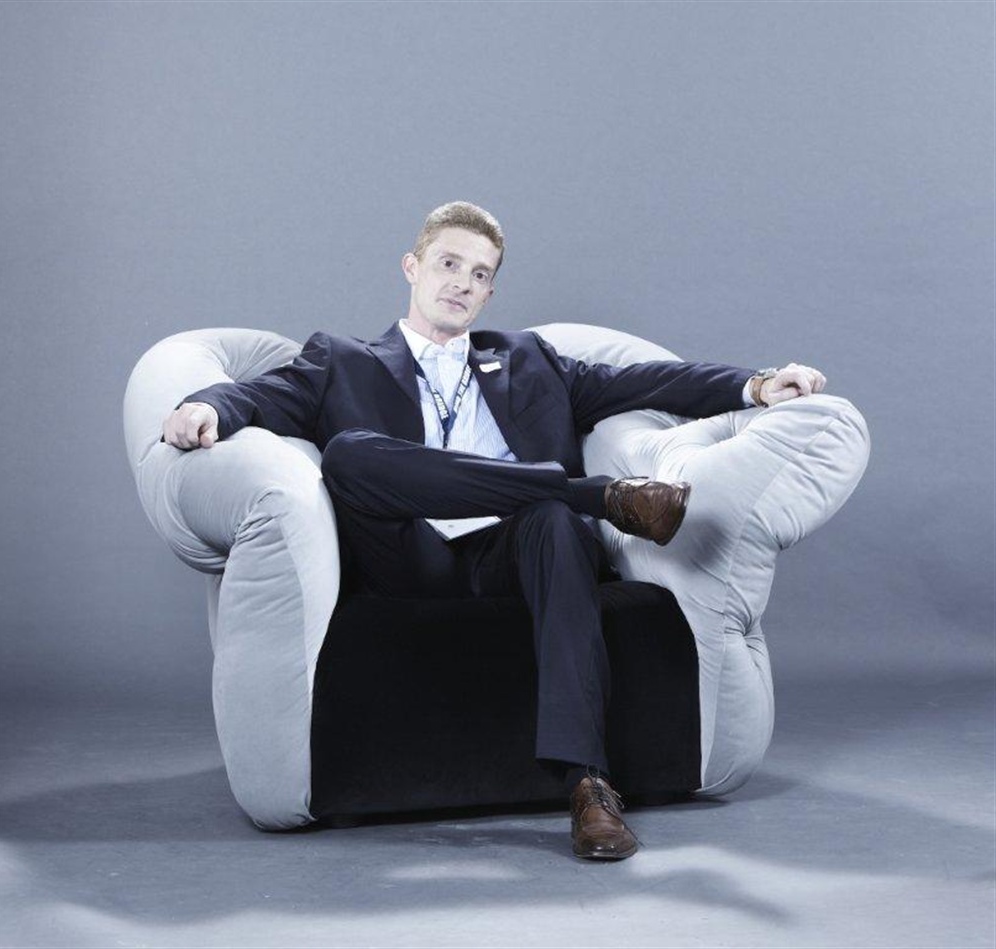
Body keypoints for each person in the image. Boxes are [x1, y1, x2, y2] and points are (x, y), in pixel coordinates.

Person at [163, 201, 826, 861]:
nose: (462, 283)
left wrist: (756, 385)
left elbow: (645, 382)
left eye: (480, 275)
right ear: (412, 266)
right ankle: (601, 497)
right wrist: (204, 407)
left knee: (556, 522)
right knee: (348, 454)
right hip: (408, 553)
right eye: (449, 264)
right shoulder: (342, 360)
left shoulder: (530, 360)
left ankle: (590, 788)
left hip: (516, 550)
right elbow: (258, 395)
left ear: (489, 292)